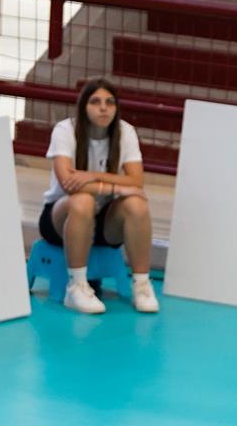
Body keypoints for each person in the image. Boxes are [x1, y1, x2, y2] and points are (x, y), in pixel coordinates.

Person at [41, 77, 158, 314]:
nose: (103, 108)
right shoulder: (65, 130)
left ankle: (142, 285)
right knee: (82, 200)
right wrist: (115, 188)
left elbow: (136, 181)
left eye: (109, 102)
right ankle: (76, 287)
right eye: (95, 102)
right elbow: (68, 183)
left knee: (136, 204)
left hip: (104, 223)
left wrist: (91, 176)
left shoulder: (125, 132)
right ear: (84, 106)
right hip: (60, 218)